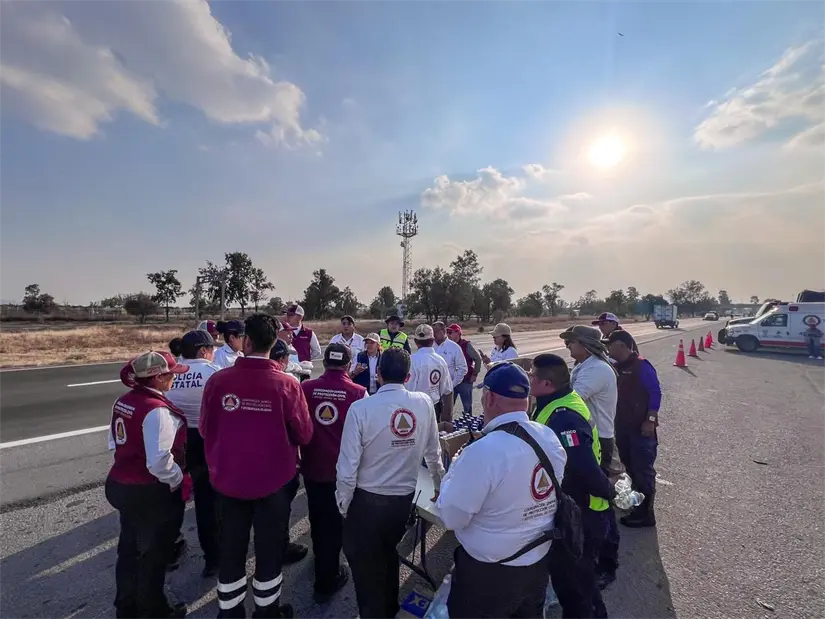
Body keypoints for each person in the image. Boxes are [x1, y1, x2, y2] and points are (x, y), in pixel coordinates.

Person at [200, 313, 314, 619]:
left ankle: (230, 612)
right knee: (269, 551)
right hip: (273, 484)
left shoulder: (217, 381)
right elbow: (304, 433)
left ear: (246, 342)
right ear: (274, 343)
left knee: (231, 550)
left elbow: (205, 429)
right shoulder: (288, 384)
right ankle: (267, 612)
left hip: (229, 482)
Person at [437, 363, 567, 619]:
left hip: (488, 577)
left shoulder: (483, 452)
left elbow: (451, 517)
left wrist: (453, 471)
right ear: (528, 401)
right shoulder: (548, 437)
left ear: (489, 398)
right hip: (537, 564)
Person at [336, 348, 445, 619]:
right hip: (402, 501)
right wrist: (439, 486)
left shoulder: (361, 408)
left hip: (366, 502)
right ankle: (389, 608)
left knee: (365, 567)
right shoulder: (423, 403)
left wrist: (343, 504)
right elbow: (434, 453)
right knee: (387, 555)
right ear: (408, 376)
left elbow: (347, 467)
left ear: (378, 374)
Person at [105, 351, 191, 619]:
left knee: (129, 549)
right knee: (154, 556)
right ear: (159, 377)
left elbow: (113, 444)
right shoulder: (158, 412)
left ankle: (126, 607)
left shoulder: (123, 402)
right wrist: (178, 481)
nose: (174, 380)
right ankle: (155, 611)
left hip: (120, 483)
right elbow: (159, 462)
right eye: (171, 375)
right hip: (150, 491)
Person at [529, 353, 615, 619]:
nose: (529, 378)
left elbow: (584, 467)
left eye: (532, 375)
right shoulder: (552, 402)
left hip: (583, 510)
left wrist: (609, 492)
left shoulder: (563, 416)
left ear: (546, 383)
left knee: (575, 586)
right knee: (581, 583)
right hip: (575, 506)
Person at [301, 343, 368, 603]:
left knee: (318, 517)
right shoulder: (358, 392)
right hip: (343, 472)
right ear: (349, 366)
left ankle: (321, 559)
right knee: (336, 521)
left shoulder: (305, 388)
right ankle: (326, 579)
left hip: (312, 466)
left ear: (325, 363)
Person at [560, 325, 620, 588]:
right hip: (587, 439)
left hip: (599, 441)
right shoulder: (584, 365)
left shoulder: (596, 369)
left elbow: (573, 397)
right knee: (585, 501)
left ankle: (606, 562)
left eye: (571, 342)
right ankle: (585, 549)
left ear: (584, 344)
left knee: (600, 503)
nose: (568, 347)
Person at [167, 331, 221, 577]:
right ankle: (217, 556)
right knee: (215, 501)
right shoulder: (213, 374)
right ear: (203, 351)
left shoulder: (171, 376)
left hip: (180, 440)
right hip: (209, 440)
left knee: (195, 499)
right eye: (211, 348)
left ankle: (180, 548)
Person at [607, 330, 661, 528]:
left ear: (621, 345)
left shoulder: (641, 366)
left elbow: (655, 392)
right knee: (630, 467)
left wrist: (650, 419)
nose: (607, 348)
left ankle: (646, 514)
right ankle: (637, 504)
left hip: (641, 429)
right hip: (623, 426)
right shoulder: (617, 367)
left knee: (643, 471)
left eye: (610, 344)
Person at [407, 324, 454, 423]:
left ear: (416, 341)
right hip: (435, 407)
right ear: (432, 340)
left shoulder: (412, 361)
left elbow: (408, 390)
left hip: (416, 409)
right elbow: (448, 391)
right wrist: (448, 417)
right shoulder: (440, 361)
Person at [446, 323, 482, 415]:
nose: (448, 335)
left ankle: (468, 425)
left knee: (467, 406)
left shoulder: (466, 345)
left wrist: (475, 374)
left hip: (465, 380)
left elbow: (477, 358)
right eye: (447, 332)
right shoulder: (447, 345)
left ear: (458, 333)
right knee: (448, 406)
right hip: (452, 381)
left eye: (450, 332)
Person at [433, 321, 468, 396]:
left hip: (447, 390)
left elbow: (463, 368)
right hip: (432, 389)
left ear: (444, 331)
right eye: (432, 332)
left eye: (436, 332)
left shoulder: (454, 347)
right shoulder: (430, 346)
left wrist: (451, 385)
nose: (434, 334)